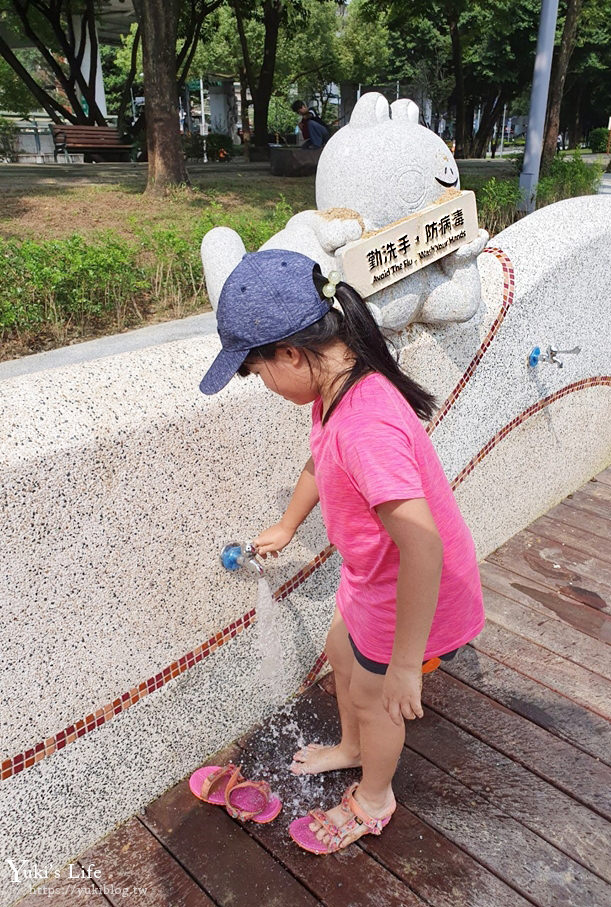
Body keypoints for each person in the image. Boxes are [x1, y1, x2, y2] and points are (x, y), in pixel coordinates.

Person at [199, 250, 485, 855]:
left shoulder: (365, 426)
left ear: (292, 354)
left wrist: (407, 664)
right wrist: (286, 524)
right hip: (372, 575)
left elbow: (424, 546)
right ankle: (352, 748)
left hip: (409, 587)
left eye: (256, 372)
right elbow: (317, 460)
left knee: (374, 698)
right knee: (340, 652)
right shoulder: (335, 394)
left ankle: (374, 796)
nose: (264, 386)